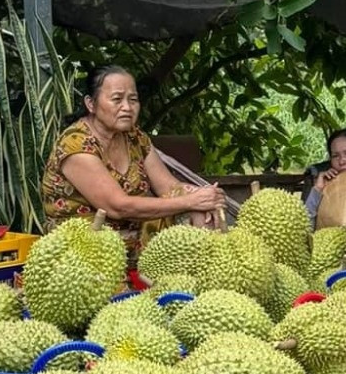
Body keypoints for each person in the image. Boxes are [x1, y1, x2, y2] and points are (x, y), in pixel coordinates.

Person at [41, 65, 227, 262]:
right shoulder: (75, 144)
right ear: (91, 104)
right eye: (116, 99)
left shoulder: (135, 137)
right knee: (191, 202)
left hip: (135, 238)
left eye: (133, 99)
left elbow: (169, 187)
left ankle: (206, 278)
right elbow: (118, 207)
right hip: (84, 247)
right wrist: (191, 200)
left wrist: (205, 196)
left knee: (199, 206)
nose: (127, 108)